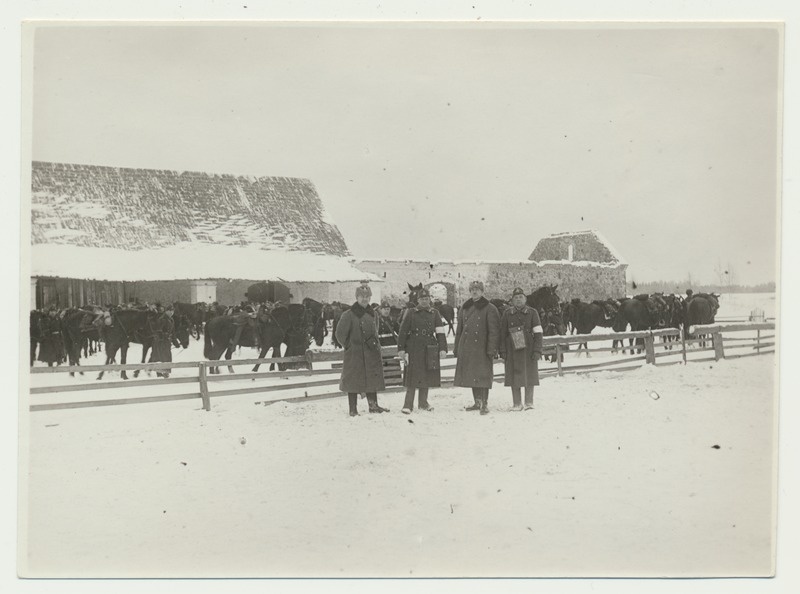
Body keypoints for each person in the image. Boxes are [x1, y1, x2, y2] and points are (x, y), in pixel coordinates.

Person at [335, 284, 388, 416]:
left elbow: (375, 331)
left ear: (370, 298)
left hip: (371, 352)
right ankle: (353, 409)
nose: (364, 299)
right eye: (361, 296)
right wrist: (349, 346)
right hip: (355, 353)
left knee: (372, 378)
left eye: (367, 296)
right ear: (356, 297)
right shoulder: (348, 314)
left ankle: (373, 406)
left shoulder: (373, 314)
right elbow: (340, 334)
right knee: (353, 380)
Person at [396, 288, 448, 414]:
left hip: (429, 347)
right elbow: (402, 332)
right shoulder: (411, 312)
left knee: (427, 375)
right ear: (418, 300)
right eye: (422, 299)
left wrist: (443, 348)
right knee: (412, 376)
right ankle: (408, 404)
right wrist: (401, 349)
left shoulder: (435, 313)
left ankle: (423, 403)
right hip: (413, 347)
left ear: (429, 299)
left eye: (426, 299)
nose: (425, 301)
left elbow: (440, 332)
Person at [454, 280, 501, 415]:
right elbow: (460, 329)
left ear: (482, 291)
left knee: (483, 375)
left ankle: (484, 404)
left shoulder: (490, 308)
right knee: (472, 374)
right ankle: (477, 402)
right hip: (468, 347)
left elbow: (494, 331)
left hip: (482, 348)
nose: (475, 291)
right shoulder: (465, 307)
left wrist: (492, 349)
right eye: (472, 289)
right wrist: (457, 347)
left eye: (478, 289)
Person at [499, 287, 544, 411]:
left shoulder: (532, 312)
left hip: (529, 349)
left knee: (529, 375)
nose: (518, 300)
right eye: (515, 298)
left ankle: (529, 402)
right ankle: (517, 403)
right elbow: (502, 334)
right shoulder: (507, 313)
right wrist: (502, 350)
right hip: (512, 349)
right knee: (514, 376)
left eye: (521, 297)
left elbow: (538, 333)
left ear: (525, 299)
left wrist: (537, 350)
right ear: (512, 301)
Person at [148, 304, 180, 378]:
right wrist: (163, 335)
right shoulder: (161, 319)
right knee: (160, 357)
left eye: (173, 311)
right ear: (166, 311)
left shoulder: (171, 320)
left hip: (167, 342)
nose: (172, 313)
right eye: (170, 311)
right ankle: (159, 373)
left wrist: (176, 343)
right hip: (160, 342)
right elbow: (157, 331)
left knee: (167, 357)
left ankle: (166, 372)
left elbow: (173, 333)